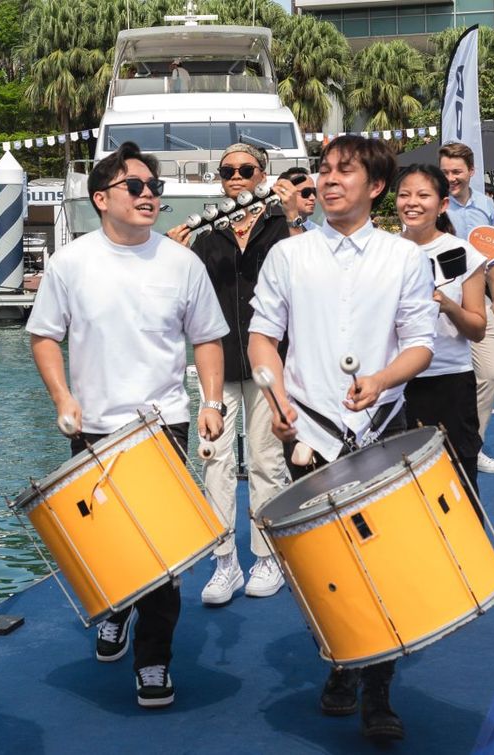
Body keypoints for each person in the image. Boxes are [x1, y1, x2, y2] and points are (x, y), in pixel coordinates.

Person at [247, 135, 436, 743]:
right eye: (323, 171)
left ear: (375, 187)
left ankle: (377, 689)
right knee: (324, 565)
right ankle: (339, 658)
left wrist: (381, 379)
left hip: (382, 428)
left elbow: (420, 345)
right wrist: (276, 400)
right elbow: (262, 338)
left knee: (381, 561)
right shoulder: (289, 255)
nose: (328, 181)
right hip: (307, 430)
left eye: (343, 172)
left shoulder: (404, 258)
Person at [28, 141, 228, 708]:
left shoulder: (180, 262)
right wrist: (62, 395)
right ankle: (114, 608)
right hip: (91, 428)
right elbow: (45, 335)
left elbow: (208, 338)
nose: (149, 196)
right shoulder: (72, 263)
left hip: (162, 424)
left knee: (163, 553)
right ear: (101, 198)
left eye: (153, 188)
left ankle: (154, 659)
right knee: (104, 544)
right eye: (135, 187)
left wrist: (210, 400)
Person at [165, 143, 298, 606]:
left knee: (266, 460)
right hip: (216, 364)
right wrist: (172, 255)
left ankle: (267, 556)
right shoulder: (206, 235)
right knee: (214, 461)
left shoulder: (284, 227)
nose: (236, 177)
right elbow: (182, 299)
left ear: (262, 174)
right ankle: (224, 561)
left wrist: (295, 215)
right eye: (227, 171)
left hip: (269, 362)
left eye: (245, 169)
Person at [398, 164, 488, 488]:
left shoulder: (462, 253)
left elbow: (478, 328)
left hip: (450, 381)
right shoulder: (385, 253)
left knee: (459, 478)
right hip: (396, 385)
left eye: (423, 195)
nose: (412, 202)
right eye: (405, 194)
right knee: (404, 484)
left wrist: (448, 305)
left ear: (442, 204)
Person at [439, 143, 494, 475]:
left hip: (478, 302)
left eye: (456, 171)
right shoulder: (433, 203)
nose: (450, 178)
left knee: (493, 375)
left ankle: (470, 446)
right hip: (440, 304)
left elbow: (493, 257)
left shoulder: (486, 206)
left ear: (471, 172)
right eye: (445, 172)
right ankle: (441, 451)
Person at [280, 166, 318, 231]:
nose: (313, 197)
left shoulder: (320, 234)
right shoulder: (270, 231)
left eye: (314, 192)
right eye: (306, 192)